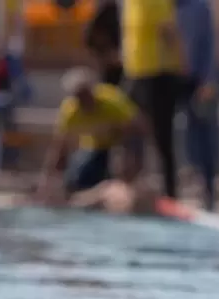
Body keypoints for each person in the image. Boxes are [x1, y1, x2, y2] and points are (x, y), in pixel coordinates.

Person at [36, 68, 146, 202]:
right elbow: (60, 147)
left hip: (121, 144)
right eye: (79, 97)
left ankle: (127, 187)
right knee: (77, 180)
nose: (84, 101)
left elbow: (138, 126)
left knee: (121, 164)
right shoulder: (71, 111)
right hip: (96, 147)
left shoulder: (111, 100)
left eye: (86, 95)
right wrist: (47, 180)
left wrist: (129, 159)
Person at [122, 0, 186, 200]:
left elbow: (168, 32)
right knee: (129, 131)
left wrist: (182, 65)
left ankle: (170, 191)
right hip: (135, 73)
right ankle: (131, 186)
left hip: (158, 75)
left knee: (162, 136)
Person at [177, 0, 219, 211]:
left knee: (204, 135)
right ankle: (179, 185)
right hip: (170, 78)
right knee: (176, 136)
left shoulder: (199, 8)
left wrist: (208, 79)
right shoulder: (163, 7)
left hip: (197, 79)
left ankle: (208, 187)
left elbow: (210, 44)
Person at [84, 0, 123, 86]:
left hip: (131, 66)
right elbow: (90, 38)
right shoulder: (108, 10)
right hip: (111, 69)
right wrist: (107, 54)